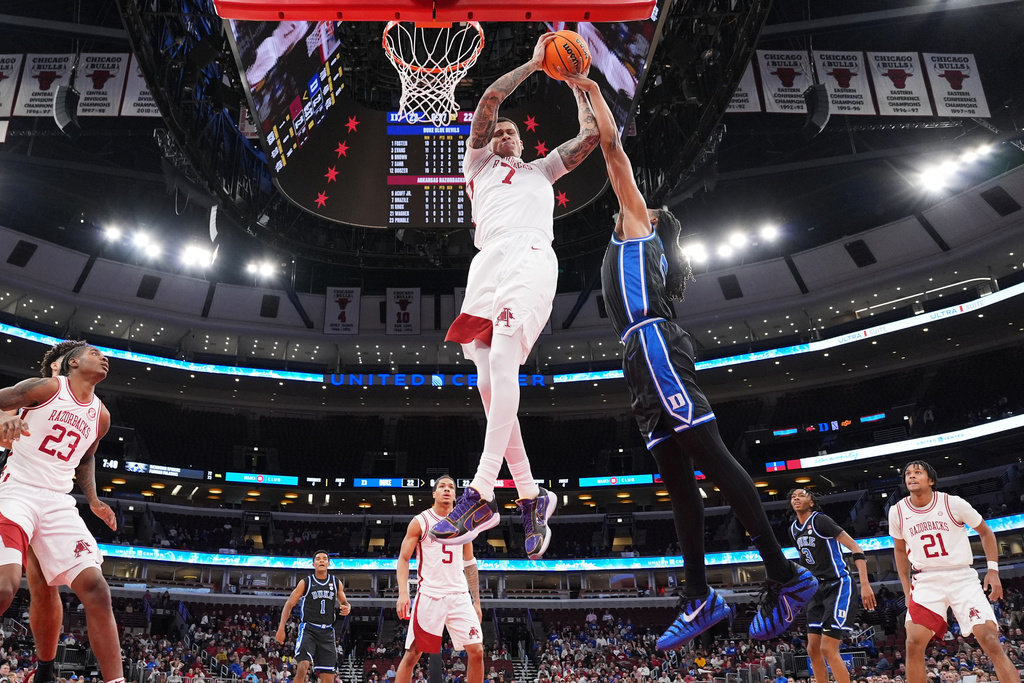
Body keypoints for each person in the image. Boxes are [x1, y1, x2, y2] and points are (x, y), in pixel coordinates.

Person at [558, 68, 817, 646]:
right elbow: (591, 141)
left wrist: (592, 89)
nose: (628, 202)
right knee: (677, 479)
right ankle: (699, 595)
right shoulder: (627, 238)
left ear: (649, 221)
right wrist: (578, 99)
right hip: (638, 355)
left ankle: (785, 575)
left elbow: (611, 148)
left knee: (712, 456)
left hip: (653, 345)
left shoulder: (636, 228)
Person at [431, 33, 601, 559]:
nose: (503, 133)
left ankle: (480, 491)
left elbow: (590, 136)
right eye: (499, 132)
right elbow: (487, 103)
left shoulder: (543, 170)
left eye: (511, 133)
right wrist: (534, 65)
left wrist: (577, 83)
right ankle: (530, 494)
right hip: (487, 265)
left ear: (523, 144)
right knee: (486, 381)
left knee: (505, 359)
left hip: (529, 255)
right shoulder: (477, 165)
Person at [0, 342, 124, 683]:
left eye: (104, 354)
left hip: (57, 501)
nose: (105, 357)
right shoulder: (49, 387)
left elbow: (85, 458)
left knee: (96, 589)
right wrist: (3, 418)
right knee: (6, 587)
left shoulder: (101, 415)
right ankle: (44, 671)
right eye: (96, 352)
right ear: (71, 363)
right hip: (18, 491)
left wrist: (95, 500)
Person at [889, 461, 1018, 683]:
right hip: (926, 580)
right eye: (908, 474)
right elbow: (900, 551)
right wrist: (906, 591)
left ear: (930, 480)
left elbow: (986, 533)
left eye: (918, 472)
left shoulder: (953, 503)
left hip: (961, 577)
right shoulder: (897, 510)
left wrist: (993, 570)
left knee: (990, 640)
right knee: (912, 643)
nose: (911, 476)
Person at [0, 341, 81, 683]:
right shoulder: (37, 392)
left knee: (45, 586)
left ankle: (45, 670)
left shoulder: (80, 407)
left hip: (44, 498)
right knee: (8, 583)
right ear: (56, 368)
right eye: (71, 361)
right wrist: (5, 416)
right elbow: (7, 403)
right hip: (11, 488)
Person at [397, 476, 484, 683]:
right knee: (413, 654)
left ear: (455, 495)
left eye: (451, 487)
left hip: (459, 596)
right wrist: (402, 592)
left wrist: (477, 601)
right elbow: (403, 558)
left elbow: (470, 563)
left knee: (477, 651)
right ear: (434, 494)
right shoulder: (421, 521)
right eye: (442, 487)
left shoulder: (464, 523)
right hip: (430, 595)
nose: (447, 490)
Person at [789, 488, 877, 683]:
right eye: (793, 496)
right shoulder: (793, 529)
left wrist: (865, 584)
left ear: (811, 502)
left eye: (801, 495)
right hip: (815, 590)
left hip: (838, 585)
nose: (796, 498)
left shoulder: (821, 520)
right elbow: (806, 563)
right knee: (812, 649)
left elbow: (856, 547)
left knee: (827, 648)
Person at [275, 550, 350, 683]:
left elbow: (344, 602)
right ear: (313, 563)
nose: (321, 560)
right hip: (309, 629)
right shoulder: (306, 582)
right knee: (303, 666)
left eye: (324, 558)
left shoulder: (336, 582)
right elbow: (289, 604)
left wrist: (347, 607)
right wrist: (281, 628)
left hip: (327, 632)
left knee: (328, 679)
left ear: (328, 563)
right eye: (318, 559)